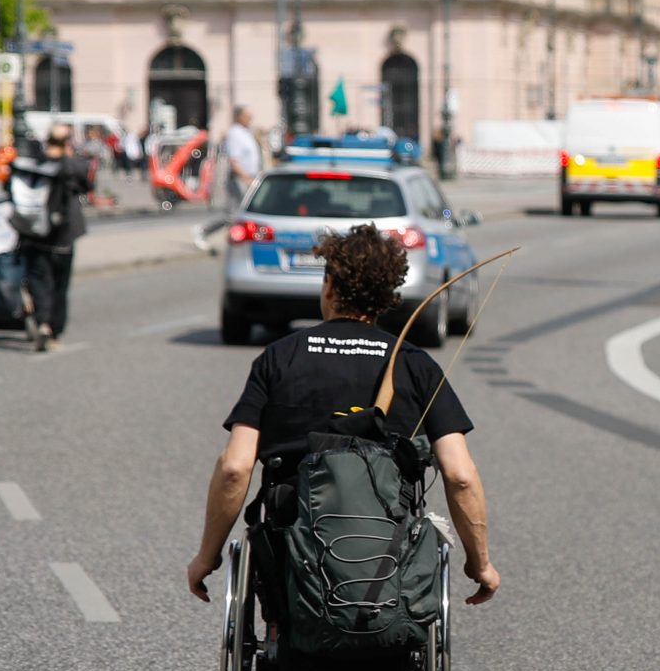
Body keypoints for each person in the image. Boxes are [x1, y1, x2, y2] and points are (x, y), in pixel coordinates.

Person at [185, 223, 500, 609]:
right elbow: (460, 476)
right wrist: (480, 562)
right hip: (385, 555)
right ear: (388, 297)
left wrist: (207, 556)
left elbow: (235, 467)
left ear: (330, 287)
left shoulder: (279, 358)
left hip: (291, 555)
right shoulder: (415, 365)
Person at [16, 124, 91, 348]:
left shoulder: (35, 162)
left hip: (36, 233)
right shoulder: (70, 166)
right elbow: (87, 185)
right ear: (67, 142)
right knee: (60, 285)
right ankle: (54, 330)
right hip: (63, 235)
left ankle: (42, 323)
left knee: (39, 282)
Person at [221, 105, 262, 211]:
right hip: (241, 179)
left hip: (250, 177)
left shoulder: (245, 132)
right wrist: (246, 178)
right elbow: (233, 160)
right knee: (239, 210)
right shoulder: (235, 134)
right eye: (247, 116)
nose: (250, 119)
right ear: (239, 117)